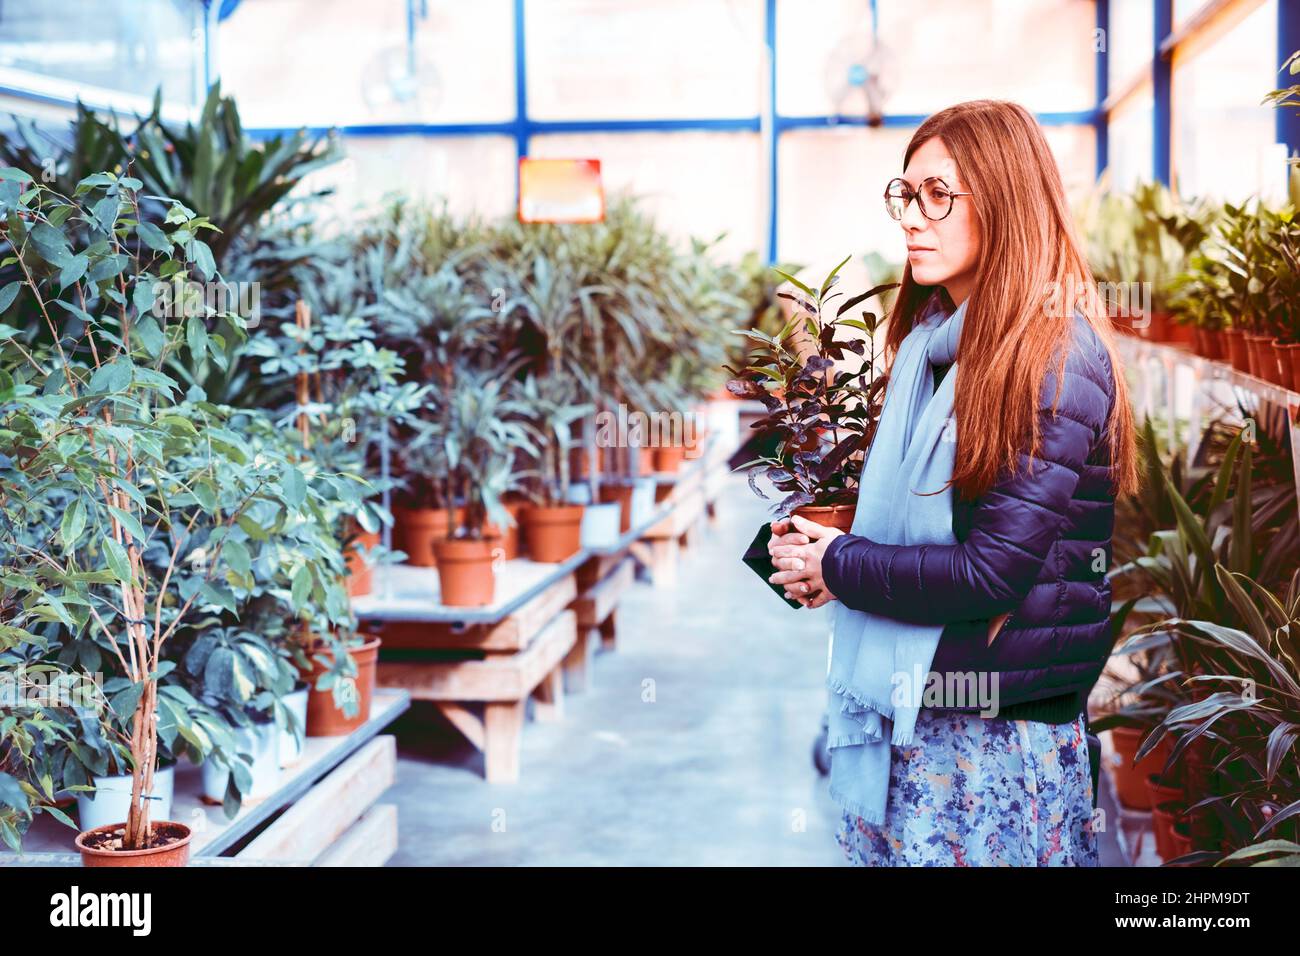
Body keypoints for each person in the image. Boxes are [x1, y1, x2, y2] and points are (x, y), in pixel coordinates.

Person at [766, 99, 1138, 866]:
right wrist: (819, 555)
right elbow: (917, 525)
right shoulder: (932, 353)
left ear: (1005, 202)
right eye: (906, 194)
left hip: (997, 738)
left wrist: (839, 563)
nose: (913, 217)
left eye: (940, 195)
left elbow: (990, 572)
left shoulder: (1051, 359)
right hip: (928, 718)